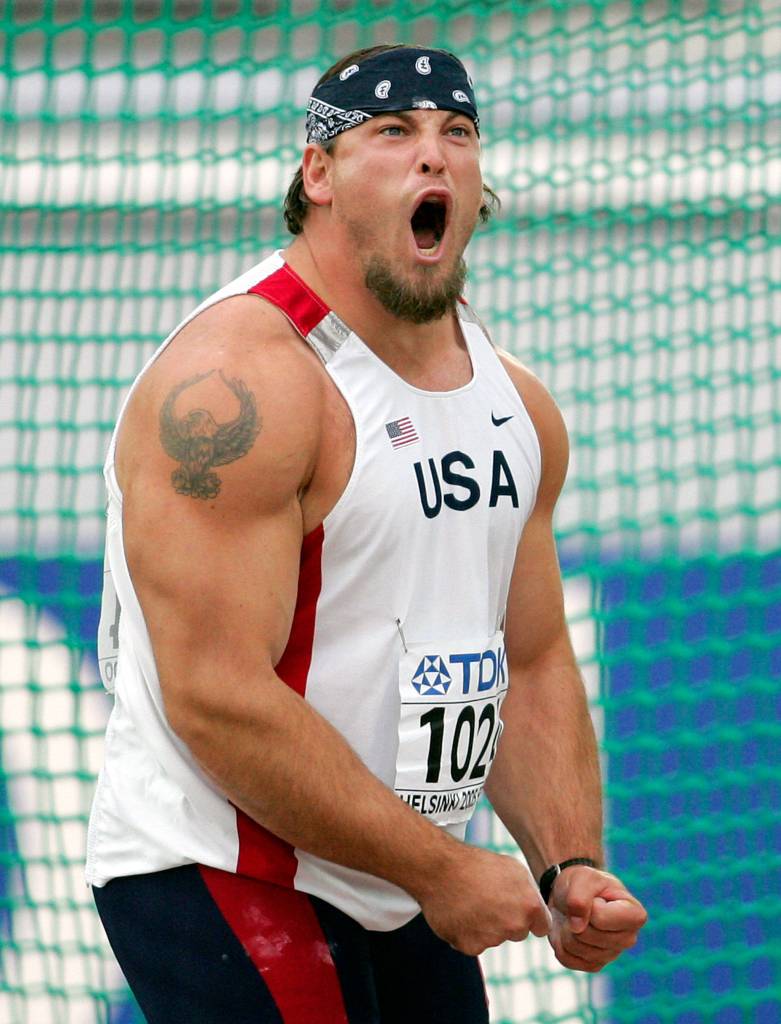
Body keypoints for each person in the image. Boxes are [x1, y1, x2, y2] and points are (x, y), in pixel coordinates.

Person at [87, 43, 647, 1024]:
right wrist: (443, 865)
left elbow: (532, 653)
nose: (432, 155)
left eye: (456, 133)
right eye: (391, 132)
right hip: (229, 864)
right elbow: (214, 696)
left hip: (397, 871)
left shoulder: (515, 403)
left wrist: (566, 864)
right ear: (319, 176)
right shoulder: (239, 386)